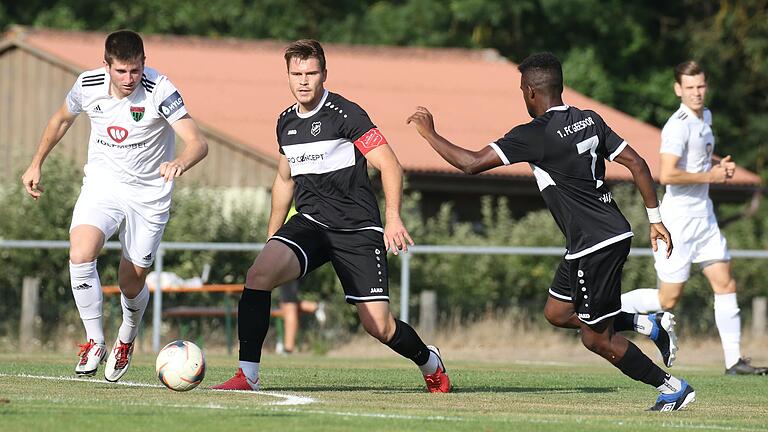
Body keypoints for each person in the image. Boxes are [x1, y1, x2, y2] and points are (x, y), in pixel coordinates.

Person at [408, 52, 695, 411]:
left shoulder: (535, 134)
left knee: (597, 339)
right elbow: (637, 163)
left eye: (521, 90)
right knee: (558, 313)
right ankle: (647, 324)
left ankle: (672, 387)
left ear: (530, 92)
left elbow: (471, 164)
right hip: (601, 237)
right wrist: (655, 219)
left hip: (595, 244)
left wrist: (428, 133)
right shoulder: (589, 119)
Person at [212, 39, 450, 393]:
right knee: (258, 275)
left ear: (324, 74)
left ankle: (429, 361)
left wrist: (394, 218)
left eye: (311, 73)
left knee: (378, 327)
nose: (304, 81)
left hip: (356, 229)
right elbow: (283, 180)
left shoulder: (346, 114)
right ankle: (248, 375)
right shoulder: (286, 122)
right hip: (311, 224)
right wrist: (272, 237)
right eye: (297, 74)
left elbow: (389, 164)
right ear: (288, 76)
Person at [21, 30, 208, 382]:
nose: (128, 79)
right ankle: (94, 341)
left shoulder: (160, 90)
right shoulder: (87, 84)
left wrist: (181, 161)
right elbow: (61, 119)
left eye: (135, 70)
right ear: (105, 65)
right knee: (80, 252)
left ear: (144, 64)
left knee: (130, 280)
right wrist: (36, 163)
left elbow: (197, 142)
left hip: (149, 195)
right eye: (121, 71)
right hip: (102, 186)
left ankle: (127, 337)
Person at [620, 61, 767, 376]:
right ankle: (607, 309)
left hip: (705, 218)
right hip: (678, 222)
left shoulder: (706, 117)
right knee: (667, 299)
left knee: (725, 282)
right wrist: (709, 174)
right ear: (678, 90)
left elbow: (698, 159)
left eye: (700, 86)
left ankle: (733, 362)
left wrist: (718, 166)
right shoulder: (678, 125)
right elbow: (668, 173)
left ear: (706, 85)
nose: (696, 93)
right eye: (690, 88)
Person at [276, 278, 326, 354]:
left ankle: (288, 348)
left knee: (289, 305)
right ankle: (315, 307)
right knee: (285, 306)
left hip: (289, 272)